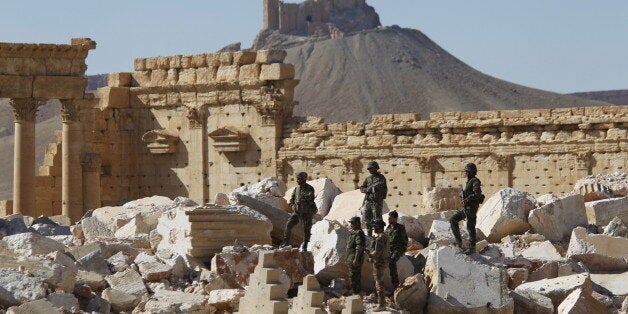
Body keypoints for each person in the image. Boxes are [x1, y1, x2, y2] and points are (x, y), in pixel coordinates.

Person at [450, 163, 484, 254]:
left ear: (472, 172)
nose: (466, 173)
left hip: (471, 207)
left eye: (468, 171)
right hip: (466, 207)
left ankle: (472, 247)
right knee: (453, 219)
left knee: (470, 226)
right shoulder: (469, 182)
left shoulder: (475, 181)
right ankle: (458, 242)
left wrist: (468, 198)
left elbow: (477, 194)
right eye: (466, 171)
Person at [283, 172, 317, 252]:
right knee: (289, 224)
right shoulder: (296, 189)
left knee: (306, 229)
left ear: (304, 179)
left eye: (300, 179)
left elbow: (311, 198)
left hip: (307, 212)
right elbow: (292, 198)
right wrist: (292, 204)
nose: (298, 180)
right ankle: (286, 242)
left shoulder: (310, 188)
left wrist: (303, 200)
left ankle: (305, 245)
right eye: (297, 178)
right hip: (297, 211)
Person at [360, 161, 388, 237]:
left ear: (376, 168)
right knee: (367, 217)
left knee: (377, 218)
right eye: (369, 169)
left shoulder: (381, 178)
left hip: (377, 201)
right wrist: (367, 190)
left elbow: (382, 186)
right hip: (369, 201)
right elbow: (362, 188)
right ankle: (369, 234)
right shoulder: (368, 178)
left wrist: (373, 188)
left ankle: (380, 235)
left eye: (372, 168)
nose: (370, 170)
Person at [369, 219, 390, 311]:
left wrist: (369, 254)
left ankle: (381, 305)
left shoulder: (381, 238)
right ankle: (382, 303)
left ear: (379, 227)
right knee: (379, 283)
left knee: (379, 284)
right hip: (381, 262)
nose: (373, 228)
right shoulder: (383, 236)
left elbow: (377, 252)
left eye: (374, 226)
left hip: (379, 263)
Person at [385, 211, 408, 288]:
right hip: (388, 249)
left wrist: (403, 250)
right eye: (388, 218)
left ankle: (396, 284)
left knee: (392, 262)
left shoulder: (400, 228)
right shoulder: (388, 228)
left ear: (395, 218)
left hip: (397, 249)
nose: (388, 219)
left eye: (390, 218)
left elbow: (405, 240)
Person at [346, 216, 366, 295]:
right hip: (351, 257)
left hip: (355, 258)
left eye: (352, 223)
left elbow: (359, 247)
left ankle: (356, 293)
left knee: (354, 277)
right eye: (351, 223)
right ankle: (356, 292)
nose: (351, 225)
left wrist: (356, 259)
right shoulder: (354, 232)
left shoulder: (359, 233)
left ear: (357, 223)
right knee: (353, 276)